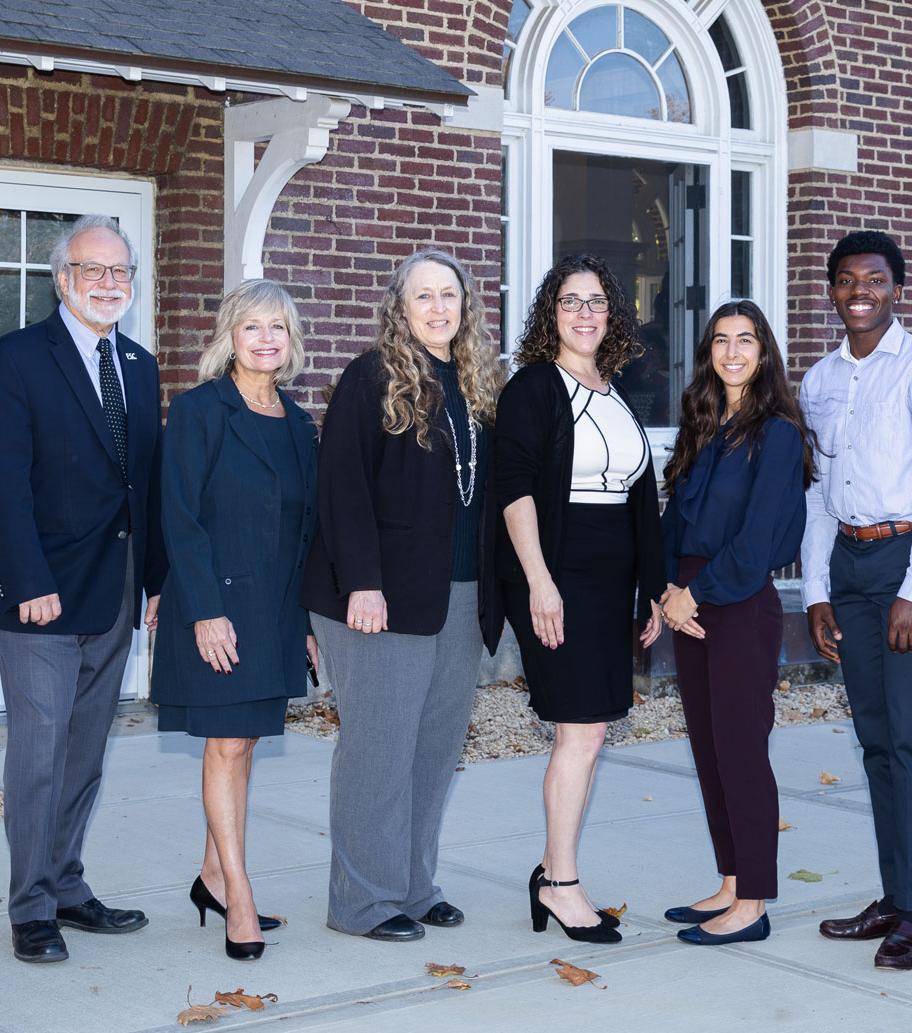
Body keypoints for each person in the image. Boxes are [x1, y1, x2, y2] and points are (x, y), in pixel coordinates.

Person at [0, 214, 167, 965]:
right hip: (41, 597)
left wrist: (154, 582)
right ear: (62, 280)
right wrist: (27, 580)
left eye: (121, 273)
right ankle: (30, 907)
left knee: (85, 752)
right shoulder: (14, 360)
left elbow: (142, 487)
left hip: (113, 591)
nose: (109, 284)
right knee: (41, 753)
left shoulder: (140, 366)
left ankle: (68, 885)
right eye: (93, 271)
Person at [303, 250, 506, 942]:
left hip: (457, 593)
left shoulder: (479, 384)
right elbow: (341, 486)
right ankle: (363, 902)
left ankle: (413, 887)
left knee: (433, 747)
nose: (439, 307)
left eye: (449, 294)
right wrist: (363, 581)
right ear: (400, 306)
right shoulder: (371, 377)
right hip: (380, 597)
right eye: (424, 296)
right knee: (378, 749)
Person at [801, 230, 912, 971]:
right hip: (848, 563)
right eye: (845, 279)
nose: (859, 290)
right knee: (874, 740)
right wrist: (814, 590)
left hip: (908, 562)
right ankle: (894, 896)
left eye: (874, 278)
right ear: (831, 291)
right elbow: (816, 493)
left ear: (897, 288)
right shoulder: (818, 381)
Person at [495, 254, 665, 946]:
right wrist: (539, 581)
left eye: (597, 301)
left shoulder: (614, 386)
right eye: (571, 301)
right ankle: (560, 884)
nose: (585, 313)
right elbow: (515, 488)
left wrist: (652, 587)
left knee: (590, 732)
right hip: (556, 574)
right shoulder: (534, 386)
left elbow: (640, 498)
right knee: (579, 731)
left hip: (608, 583)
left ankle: (552, 875)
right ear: (550, 313)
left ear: (613, 315)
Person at [151, 279, 318, 962]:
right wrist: (205, 612)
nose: (267, 339)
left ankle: (213, 876)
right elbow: (180, 517)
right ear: (230, 336)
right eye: (253, 327)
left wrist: (303, 618)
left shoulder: (300, 421)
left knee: (245, 744)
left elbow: (306, 527)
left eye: (278, 326)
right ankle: (239, 896)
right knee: (226, 745)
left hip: (276, 608)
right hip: (217, 604)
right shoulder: (198, 411)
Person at [657, 300, 812, 947]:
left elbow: (755, 546)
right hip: (689, 602)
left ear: (764, 351)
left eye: (745, 340)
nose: (732, 352)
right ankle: (730, 880)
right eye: (720, 341)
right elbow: (673, 520)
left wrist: (696, 594)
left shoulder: (776, 434)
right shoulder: (704, 424)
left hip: (740, 606)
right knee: (710, 751)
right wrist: (666, 588)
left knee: (743, 754)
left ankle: (754, 902)